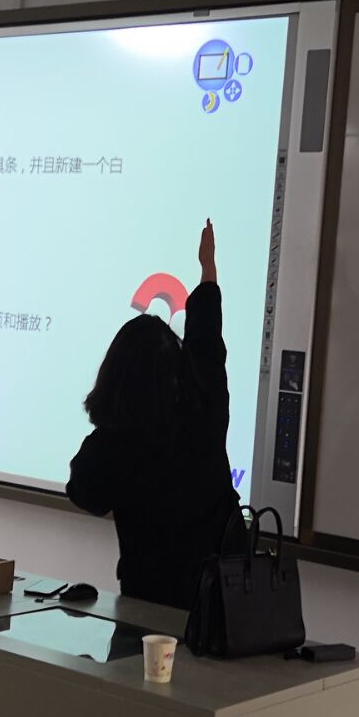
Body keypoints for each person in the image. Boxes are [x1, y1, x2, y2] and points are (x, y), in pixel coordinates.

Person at [69, 220, 248, 610]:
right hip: (222, 605)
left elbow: (85, 494)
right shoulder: (206, 408)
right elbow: (207, 340)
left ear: (114, 376)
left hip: (147, 607)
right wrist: (208, 269)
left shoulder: (113, 444)